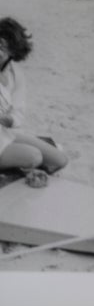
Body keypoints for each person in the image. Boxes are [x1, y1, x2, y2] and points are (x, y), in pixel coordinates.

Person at [0, 17, 68, 185]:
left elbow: (18, 114)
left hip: (5, 133)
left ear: (13, 50)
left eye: (3, 45)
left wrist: (8, 119)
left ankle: (17, 163)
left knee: (60, 160)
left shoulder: (16, 74)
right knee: (34, 157)